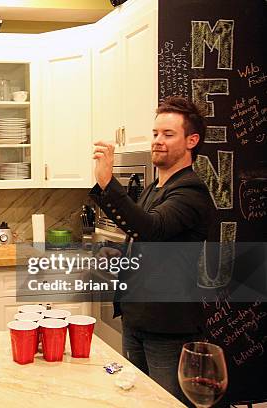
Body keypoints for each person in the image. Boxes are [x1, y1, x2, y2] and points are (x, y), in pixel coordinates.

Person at [89, 96, 215, 403]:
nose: (157, 141)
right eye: (156, 133)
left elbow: (152, 229)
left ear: (191, 141)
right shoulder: (153, 189)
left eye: (168, 134)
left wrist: (108, 183)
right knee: (140, 400)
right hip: (138, 319)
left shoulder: (191, 191)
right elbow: (142, 236)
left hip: (169, 328)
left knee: (167, 403)